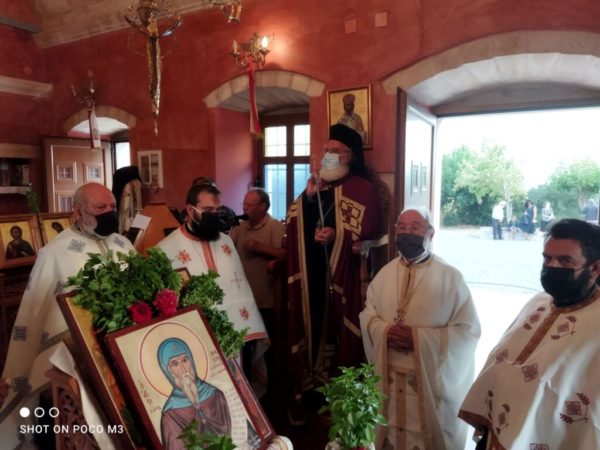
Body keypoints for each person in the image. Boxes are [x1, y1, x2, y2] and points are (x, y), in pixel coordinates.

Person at [0, 182, 135, 449]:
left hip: (121, 348)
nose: (109, 212)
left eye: (112, 207)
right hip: (74, 353)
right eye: (100, 207)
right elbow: (35, 311)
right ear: (78, 211)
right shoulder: (54, 253)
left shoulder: (123, 244)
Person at [459, 219, 600, 449]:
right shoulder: (538, 302)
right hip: (494, 431)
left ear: (594, 269)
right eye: (547, 258)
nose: (552, 267)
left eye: (565, 260)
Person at [359, 207, 481, 449]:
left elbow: (467, 331)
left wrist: (419, 339)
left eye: (415, 228)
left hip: (428, 383)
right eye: (402, 228)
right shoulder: (384, 274)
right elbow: (367, 315)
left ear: (430, 233)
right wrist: (385, 331)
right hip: (389, 376)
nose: (407, 233)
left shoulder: (450, 278)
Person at [286, 124, 381, 420]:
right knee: (312, 324)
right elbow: (292, 224)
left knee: (341, 333)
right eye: (325, 150)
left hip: (345, 275)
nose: (327, 155)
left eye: (335, 151)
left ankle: (342, 397)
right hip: (313, 272)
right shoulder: (316, 185)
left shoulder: (363, 188)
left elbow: (372, 232)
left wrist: (337, 237)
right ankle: (312, 388)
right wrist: (309, 197)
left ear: (349, 156)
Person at [155, 183, 268, 384]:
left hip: (236, 334)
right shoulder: (165, 249)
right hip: (196, 339)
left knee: (239, 383)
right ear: (190, 210)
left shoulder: (225, 242)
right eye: (208, 210)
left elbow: (239, 288)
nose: (214, 215)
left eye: (217, 210)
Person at [229, 188, 286, 355]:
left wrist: (259, 247)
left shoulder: (274, 227)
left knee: (267, 346)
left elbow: (285, 254)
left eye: (249, 204)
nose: (244, 207)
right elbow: (227, 248)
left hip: (264, 299)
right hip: (242, 297)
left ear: (263, 206)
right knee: (244, 344)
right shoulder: (241, 227)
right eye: (244, 204)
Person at [158, 337, 232, 449]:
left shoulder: (216, 395)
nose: (183, 369)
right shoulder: (170, 415)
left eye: (185, 360)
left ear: (191, 361)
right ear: (168, 371)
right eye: (175, 364)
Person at [112, 165, 143, 234]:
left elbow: (125, 205)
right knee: (139, 233)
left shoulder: (128, 184)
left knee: (127, 232)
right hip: (138, 210)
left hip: (129, 213)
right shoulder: (137, 182)